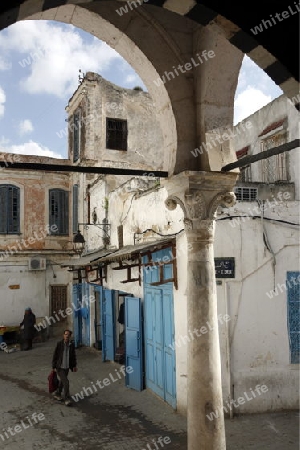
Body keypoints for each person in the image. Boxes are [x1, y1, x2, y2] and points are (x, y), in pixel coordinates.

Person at [51, 329, 77, 406]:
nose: (67, 336)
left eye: (68, 335)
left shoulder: (71, 345)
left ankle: (57, 393)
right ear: (63, 335)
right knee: (66, 382)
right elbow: (55, 355)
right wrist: (53, 366)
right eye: (65, 334)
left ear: (70, 336)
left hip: (67, 367)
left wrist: (74, 366)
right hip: (60, 367)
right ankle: (67, 399)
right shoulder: (59, 344)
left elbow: (73, 356)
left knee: (62, 381)